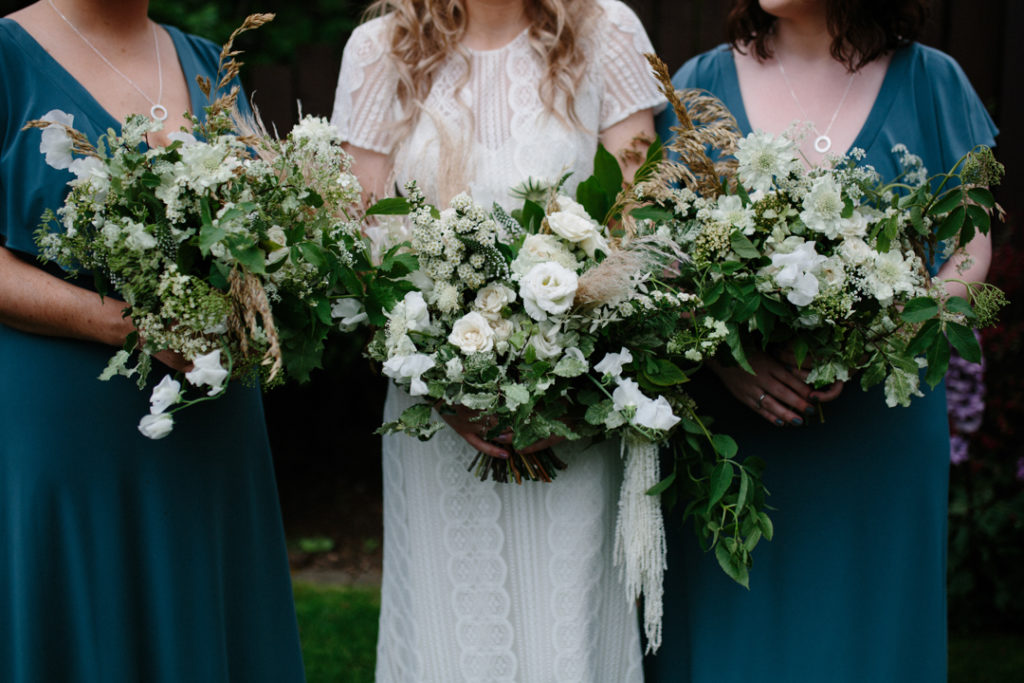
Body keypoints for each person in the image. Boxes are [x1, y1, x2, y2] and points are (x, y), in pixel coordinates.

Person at [648, 1, 996, 681]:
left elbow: (969, 255)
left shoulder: (935, 83)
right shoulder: (699, 84)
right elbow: (661, 256)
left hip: (878, 441)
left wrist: (875, 336)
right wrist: (727, 361)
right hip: (739, 441)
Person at [331, 0, 664, 679]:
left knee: (568, 637)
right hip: (435, 417)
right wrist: (444, 381)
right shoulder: (378, 49)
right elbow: (354, 248)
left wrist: (565, 380)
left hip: (575, 416)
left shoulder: (608, 32)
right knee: (446, 635)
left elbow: (641, 226)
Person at [0, 2, 306, 681]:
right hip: (69, 425)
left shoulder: (205, 60)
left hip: (211, 424)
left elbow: (264, 228)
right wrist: (119, 322)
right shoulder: (7, 56)